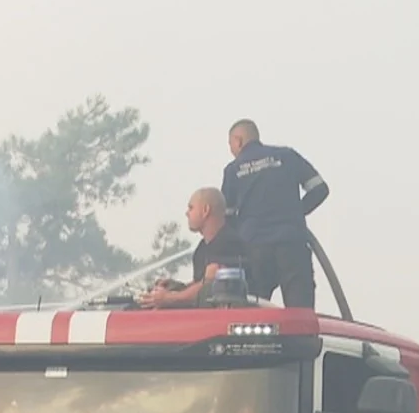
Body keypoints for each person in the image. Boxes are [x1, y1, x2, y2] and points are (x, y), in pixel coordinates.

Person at [220, 119, 328, 309]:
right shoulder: (287, 156)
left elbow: (226, 216)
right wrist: (296, 213)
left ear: (238, 140)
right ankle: (302, 338)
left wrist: (243, 230)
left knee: (252, 313)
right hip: (292, 244)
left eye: (230, 145)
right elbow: (320, 189)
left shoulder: (233, 170)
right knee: (300, 314)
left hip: (253, 249)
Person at [137, 187, 240, 309]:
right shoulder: (202, 249)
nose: (187, 213)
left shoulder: (228, 243)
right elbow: (199, 283)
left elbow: (208, 287)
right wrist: (176, 287)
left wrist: (168, 298)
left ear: (205, 210)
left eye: (191, 208)